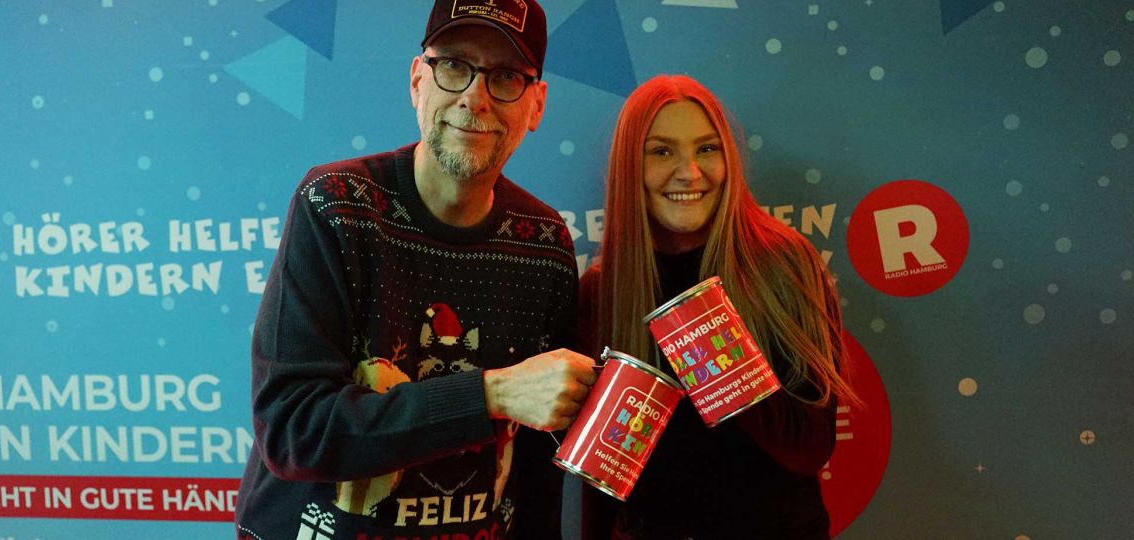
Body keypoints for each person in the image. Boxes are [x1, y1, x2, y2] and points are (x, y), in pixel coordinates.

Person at [235, 1, 598, 539]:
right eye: (453, 65)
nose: (473, 97)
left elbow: (536, 461)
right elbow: (295, 430)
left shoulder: (542, 241)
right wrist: (490, 395)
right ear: (417, 80)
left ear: (536, 104)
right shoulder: (337, 205)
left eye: (504, 76)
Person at [577, 75, 862, 539]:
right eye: (662, 151)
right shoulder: (603, 289)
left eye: (707, 149)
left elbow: (811, 449)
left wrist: (717, 356)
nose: (690, 172)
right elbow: (606, 477)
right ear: (631, 165)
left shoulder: (784, 264)